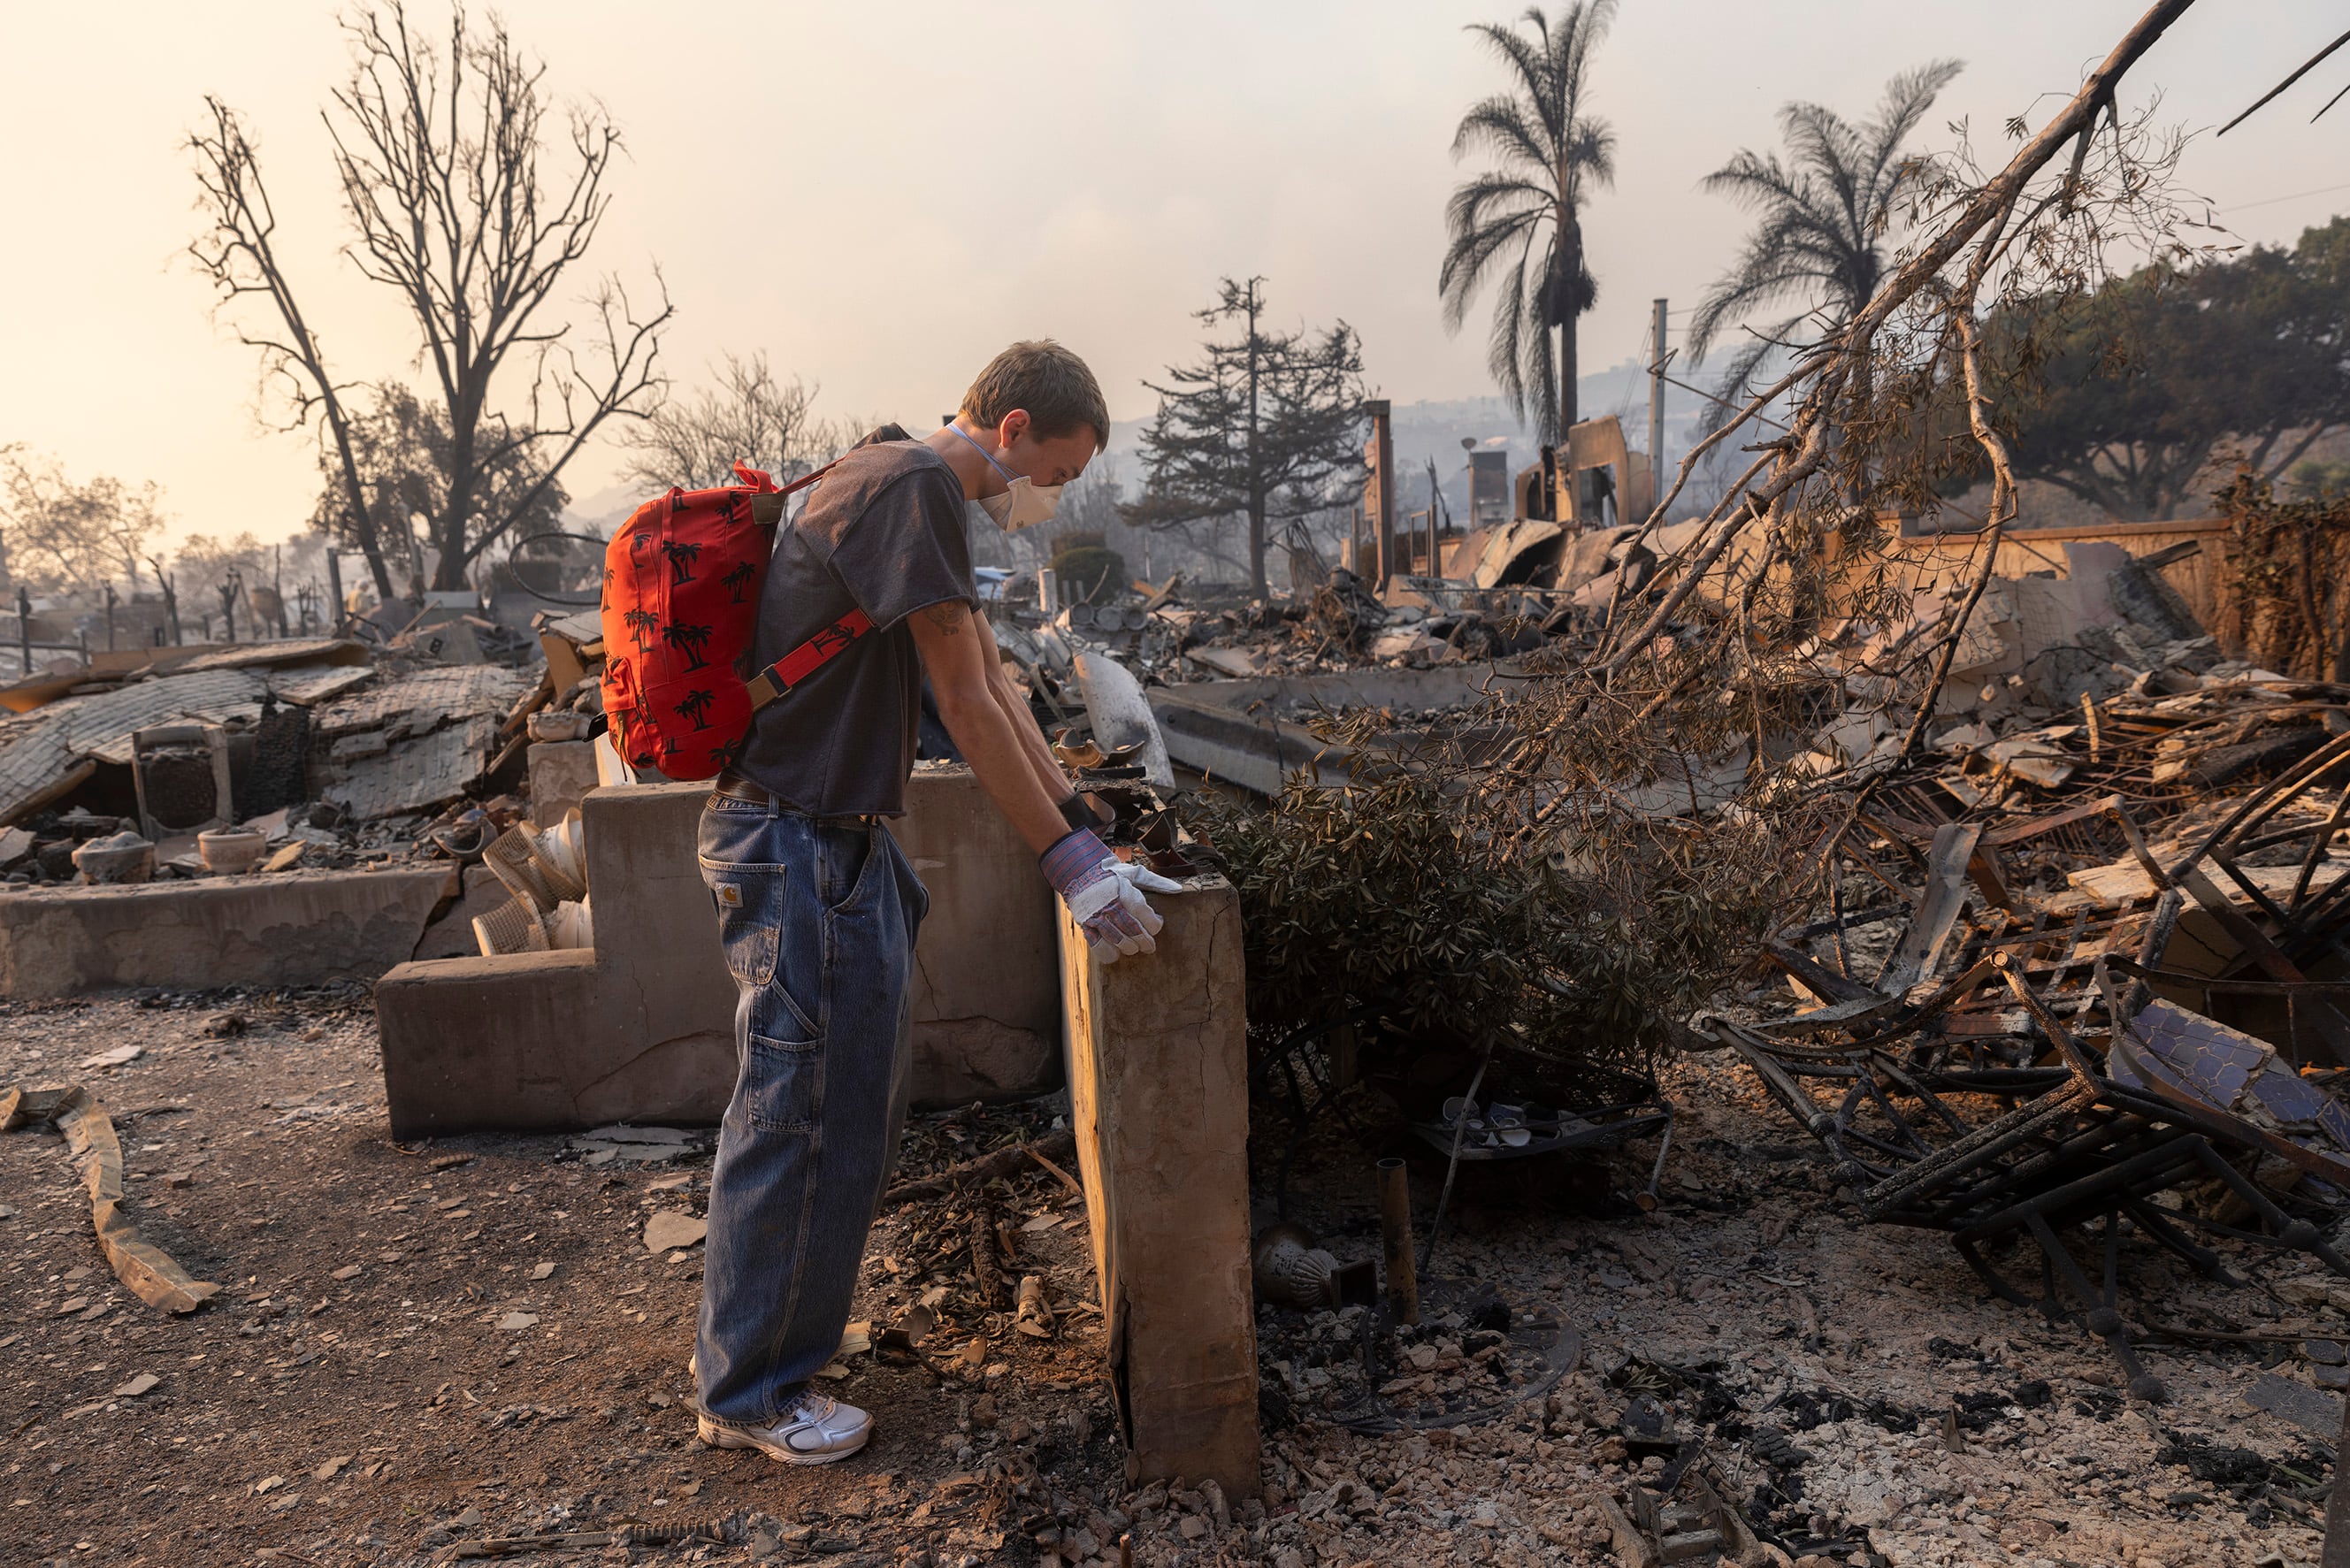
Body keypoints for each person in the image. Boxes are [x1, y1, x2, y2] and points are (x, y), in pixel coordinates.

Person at [690, 340, 1165, 1465]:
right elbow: (960, 693)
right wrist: (1067, 867)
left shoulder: (894, 475)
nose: (1050, 496)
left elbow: (992, 686)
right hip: (792, 836)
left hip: (828, 837)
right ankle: (750, 1390)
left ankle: (764, 1351)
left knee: (838, 1106)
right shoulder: (912, 489)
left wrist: (1088, 832)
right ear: (1008, 430)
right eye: (1054, 469)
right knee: (796, 1111)